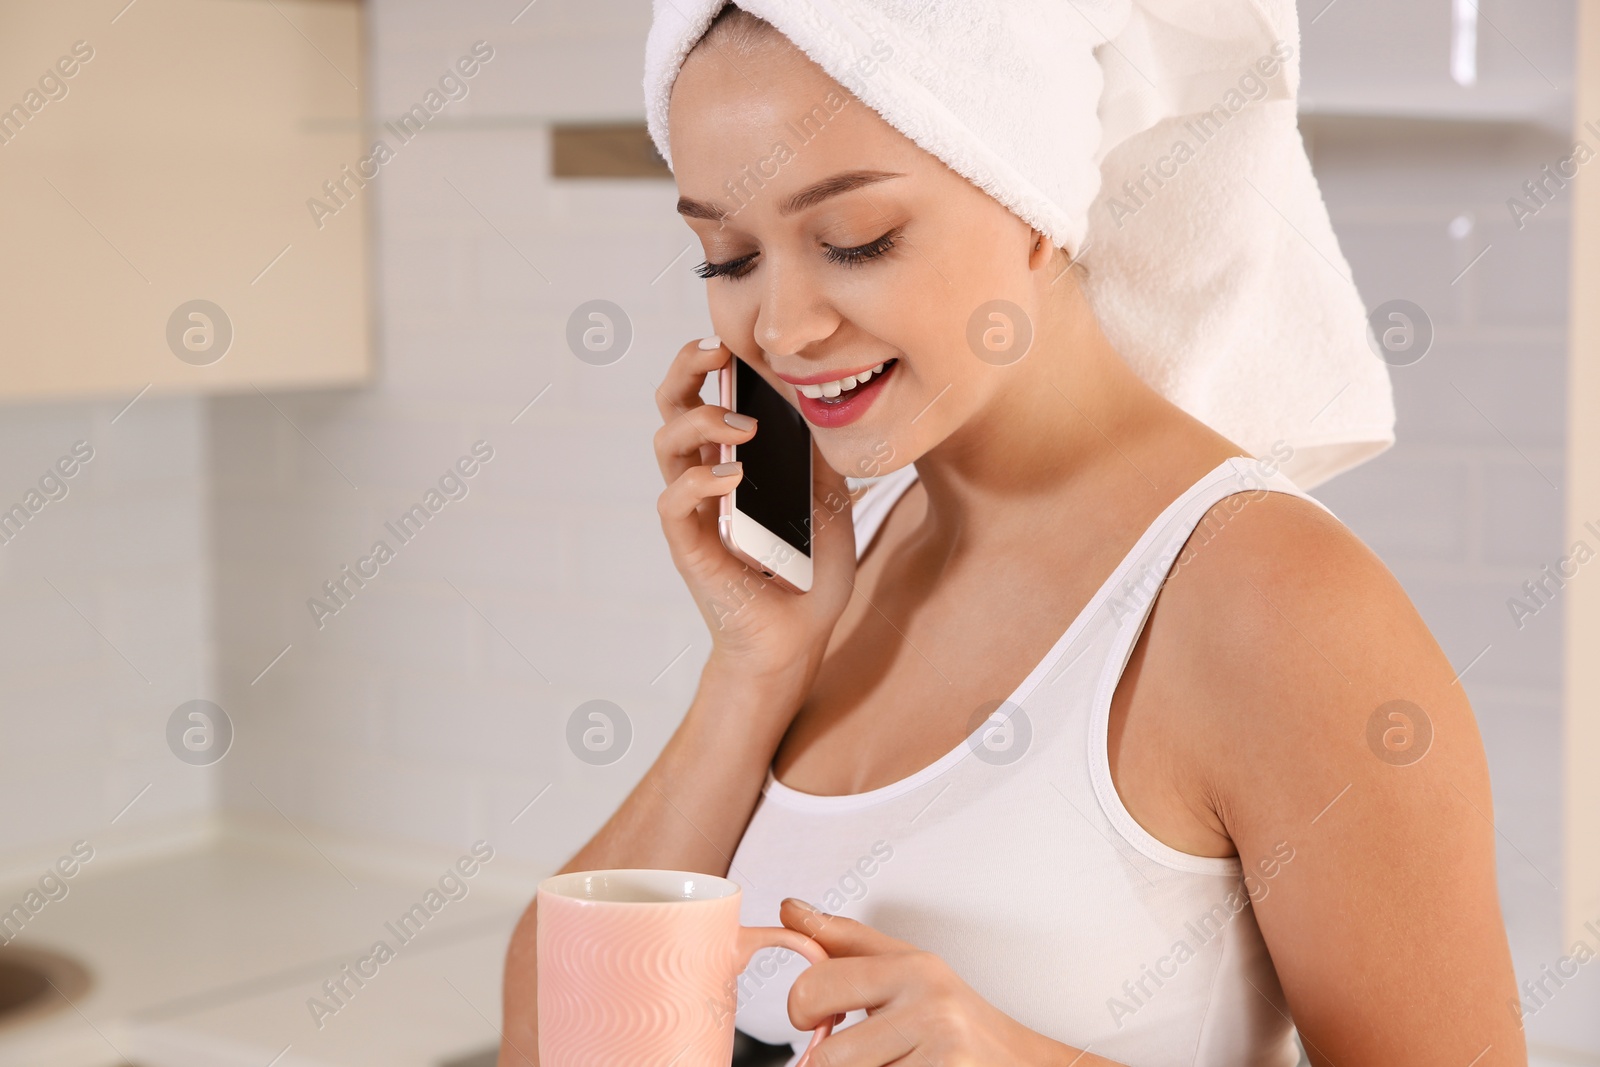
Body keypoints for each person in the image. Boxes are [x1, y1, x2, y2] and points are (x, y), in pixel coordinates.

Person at [500, 5, 1524, 1064]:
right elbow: (549, 1034)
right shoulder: (859, 554)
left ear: (1035, 200)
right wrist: (753, 667)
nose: (781, 328)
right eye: (727, 257)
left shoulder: (1274, 605)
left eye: (857, 241)